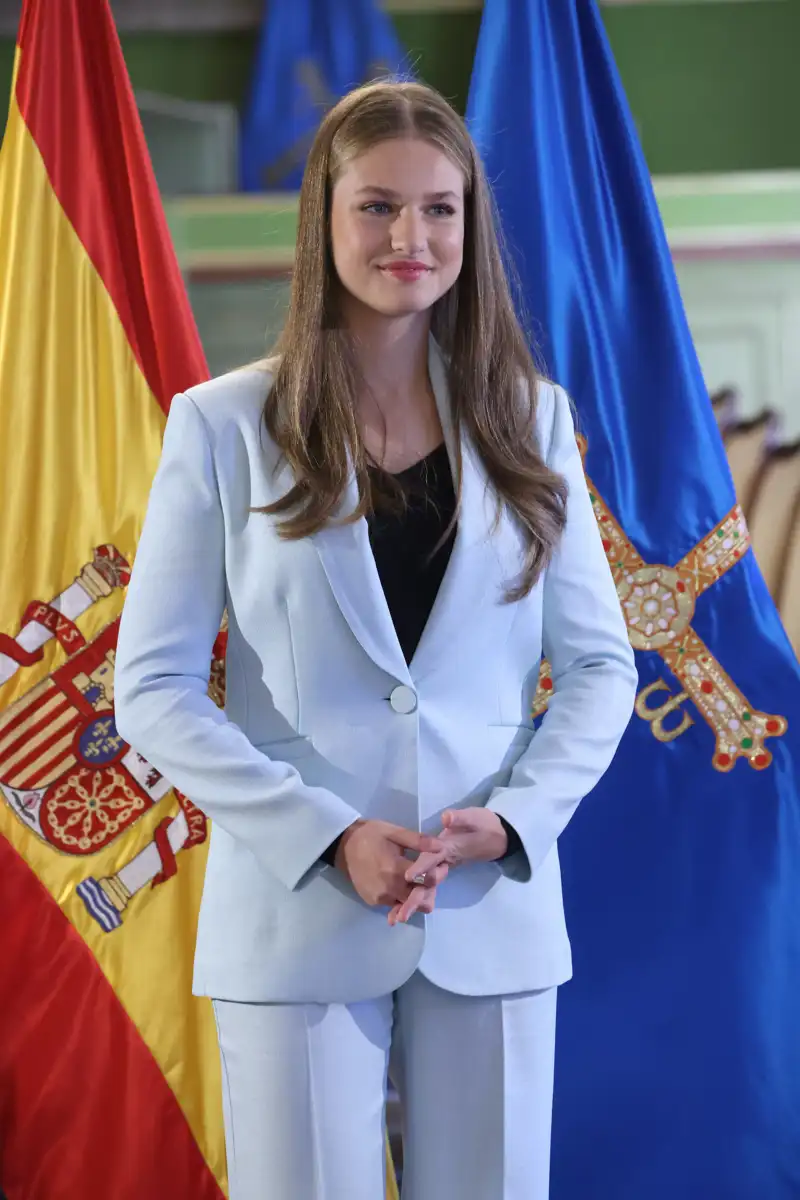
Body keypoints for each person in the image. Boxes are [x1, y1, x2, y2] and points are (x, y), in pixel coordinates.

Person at [114, 80, 637, 1200]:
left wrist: (515, 820)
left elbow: (599, 667)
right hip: (296, 906)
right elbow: (152, 689)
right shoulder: (219, 425)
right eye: (377, 207)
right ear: (324, 216)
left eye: (440, 209)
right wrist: (324, 833)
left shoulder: (531, 418)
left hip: (488, 905)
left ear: (470, 224)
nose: (411, 237)